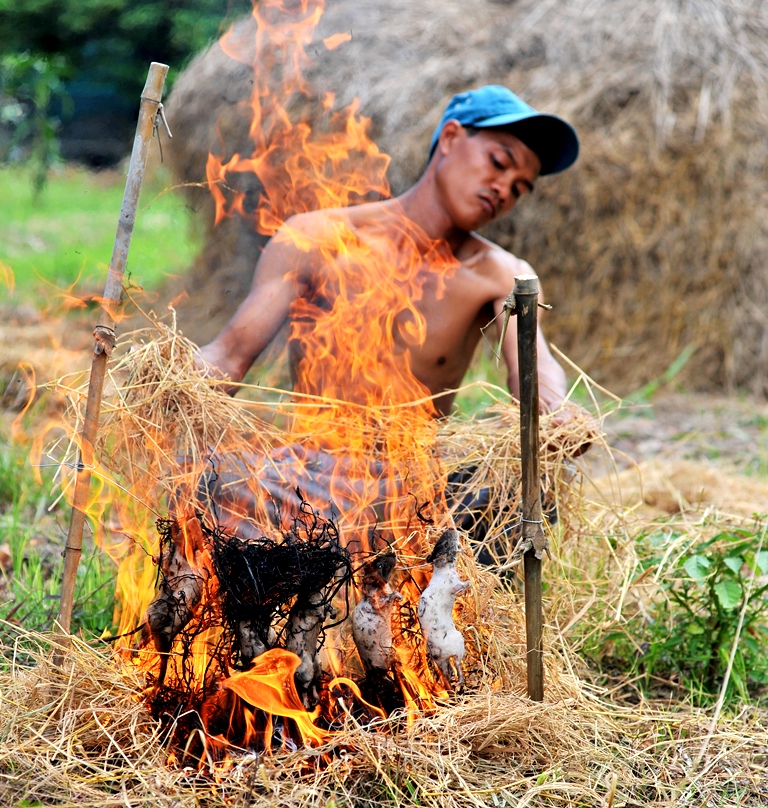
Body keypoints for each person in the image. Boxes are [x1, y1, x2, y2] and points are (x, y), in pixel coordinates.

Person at [197, 85, 580, 418]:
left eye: (518, 189)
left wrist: (556, 414)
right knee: (210, 481)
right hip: (311, 480)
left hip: (418, 493)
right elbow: (229, 356)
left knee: (517, 498)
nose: (503, 189)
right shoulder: (316, 238)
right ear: (449, 138)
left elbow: (535, 370)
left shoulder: (501, 275)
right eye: (499, 162)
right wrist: (165, 385)